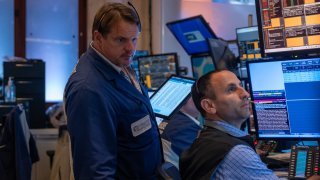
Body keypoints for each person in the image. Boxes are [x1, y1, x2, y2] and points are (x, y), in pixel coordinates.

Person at [64, 2, 162, 179]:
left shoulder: (117, 62)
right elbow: (96, 172)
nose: (131, 49)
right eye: (121, 40)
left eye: (134, 39)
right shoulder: (89, 91)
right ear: (98, 38)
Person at [179, 70, 320, 180]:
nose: (245, 93)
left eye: (241, 86)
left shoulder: (207, 138)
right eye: (231, 89)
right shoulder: (236, 152)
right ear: (209, 106)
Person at [158, 96, 201, 169]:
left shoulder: (171, 118)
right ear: (184, 100)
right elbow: (200, 162)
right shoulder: (185, 127)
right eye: (194, 96)